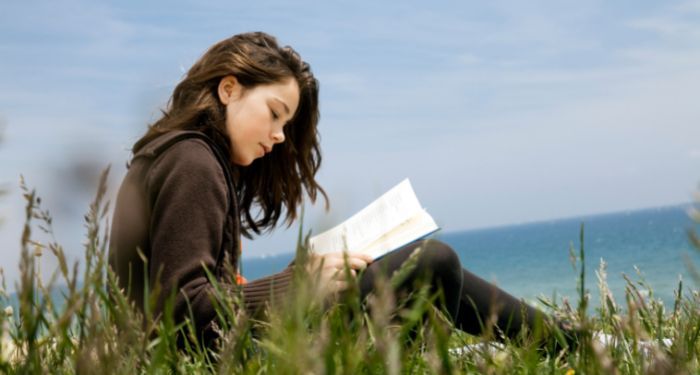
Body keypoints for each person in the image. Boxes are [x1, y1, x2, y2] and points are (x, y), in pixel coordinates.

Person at [108, 32, 569, 350]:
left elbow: (191, 292)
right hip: (216, 361)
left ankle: (568, 342)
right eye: (274, 113)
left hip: (222, 351)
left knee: (417, 268)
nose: (280, 137)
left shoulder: (182, 157)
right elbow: (180, 308)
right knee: (431, 262)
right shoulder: (192, 161)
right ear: (229, 89)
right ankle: (575, 345)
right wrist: (299, 284)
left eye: (286, 124)